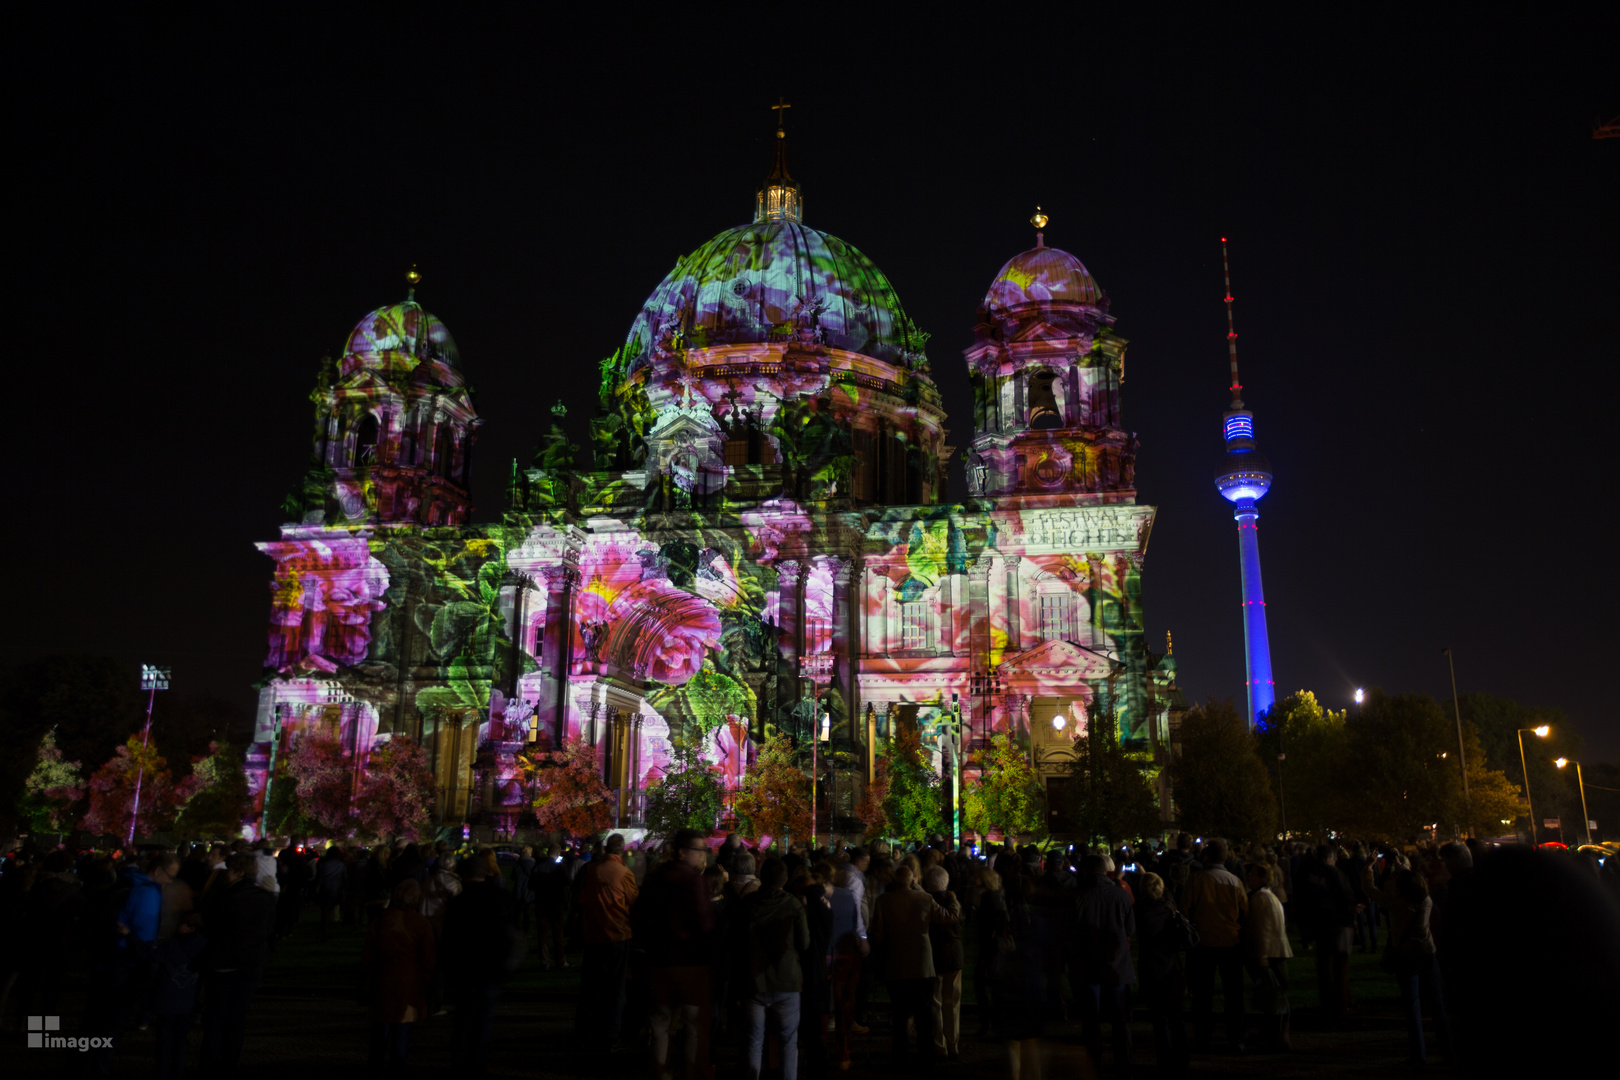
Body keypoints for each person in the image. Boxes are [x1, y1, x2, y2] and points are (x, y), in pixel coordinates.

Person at [635, 828, 716, 1080]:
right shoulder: (691, 880)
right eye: (699, 850)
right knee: (693, 1025)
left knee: (660, 1024)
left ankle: (660, 1070)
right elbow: (703, 923)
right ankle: (689, 1071)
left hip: (658, 960)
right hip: (687, 962)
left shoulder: (655, 878)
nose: (703, 855)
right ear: (683, 852)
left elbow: (637, 916)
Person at [1362, 853, 1452, 1065]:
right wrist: (1403, 867)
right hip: (1427, 954)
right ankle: (1448, 1051)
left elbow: (1371, 891)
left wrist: (1368, 869)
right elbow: (1413, 881)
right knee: (1438, 1005)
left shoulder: (1395, 903)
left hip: (1405, 956)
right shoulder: (1426, 902)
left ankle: (1418, 1054)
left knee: (1412, 1007)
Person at [870, 863, 957, 1068]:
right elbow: (948, 917)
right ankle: (925, 1057)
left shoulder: (884, 901)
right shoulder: (925, 899)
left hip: (896, 962)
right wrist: (953, 901)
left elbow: (879, 934)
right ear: (912, 880)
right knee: (924, 1014)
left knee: (899, 1014)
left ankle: (899, 1057)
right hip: (921, 962)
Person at [443, 848, 520, 1075]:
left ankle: (460, 1062)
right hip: (491, 968)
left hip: (465, 969)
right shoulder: (502, 898)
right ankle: (477, 1062)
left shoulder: (458, 902)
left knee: (463, 1019)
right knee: (483, 1020)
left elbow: (449, 939)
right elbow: (512, 933)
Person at [200, 852, 278, 1069]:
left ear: (238, 872)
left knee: (216, 1018)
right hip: (251, 965)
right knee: (237, 1018)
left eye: (230, 871)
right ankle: (229, 1062)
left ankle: (210, 1063)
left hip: (224, 964)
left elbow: (213, 929)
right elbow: (269, 931)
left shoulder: (226, 898)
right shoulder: (265, 898)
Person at [735, 857, 809, 1080]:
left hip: (755, 980)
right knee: (788, 1041)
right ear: (785, 879)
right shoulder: (793, 905)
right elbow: (804, 943)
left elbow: (737, 940)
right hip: (786, 980)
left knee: (754, 1039)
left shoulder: (748, 904)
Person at [1070, 854, 1136, 1075]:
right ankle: (1123, 1065)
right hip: (1116, 964)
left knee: (1091, 1021)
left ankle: (1093, 1066)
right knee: (1120, 1020)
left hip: (1089, 965)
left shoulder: (1078, 896)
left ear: (1086, 872)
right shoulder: (1120, 895)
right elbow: (1130, 929)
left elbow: (1070, 933)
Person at [363, 878, 437, 1069]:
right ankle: (396, 1068)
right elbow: (428, 959)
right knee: (402, 1030)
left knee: (381, 1029)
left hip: (383, 979)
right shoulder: (420, 924)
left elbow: (368, 955)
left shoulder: (380, 922)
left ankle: (375, 1068)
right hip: (408, 982)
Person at [1183, 838, 1248, 1052]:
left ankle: (1202, 1035)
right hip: (1230, 941)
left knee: (1203, 993)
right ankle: (1236, 1036)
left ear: (1206, 856)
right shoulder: (1235, 881)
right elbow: (1244, 913)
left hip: (1204, 941)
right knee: (1234, 993)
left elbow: (1185, 910)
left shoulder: (1197, 880)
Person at [576, 833, 638, 1045]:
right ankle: (610, 1035)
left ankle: (585, 1031)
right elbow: (633, 902)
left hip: (593, 932)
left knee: (590, 985)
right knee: (615, 986)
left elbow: (582, 897)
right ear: (621, 850)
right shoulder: (623, 872)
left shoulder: (592, 870)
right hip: (617, 933)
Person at [1134, 872, 1190, 1076]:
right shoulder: (1169, 907)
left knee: (1159, 1020)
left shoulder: (1140, 910)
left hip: (1152, 968)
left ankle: (1165, 1061)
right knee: (1176, 1016)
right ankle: (1183, 1059)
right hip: (1172, 967)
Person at [1294, 844, 1356, 1022]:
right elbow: (1347, 898)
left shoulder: (1307, 874)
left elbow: (1301, 902)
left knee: (1324, 969)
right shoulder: (1334, 874)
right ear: (1330, 858)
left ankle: (1327, 1006)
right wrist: (1349, 919)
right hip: (1337, 926)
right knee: (1340, 970)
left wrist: (1305, 928)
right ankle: (1339, 1009)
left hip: (1319, 926)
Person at [151, 912, 207, 1080]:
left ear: (189, 927)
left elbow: (152, 957)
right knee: (180, 1043)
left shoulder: (171, 945)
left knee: (164, 1044)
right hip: (187, 1003)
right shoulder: (205, 946)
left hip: (166, 1001)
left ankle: (162, 1074)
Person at [1243, 863, 1292, 1050]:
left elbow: (1262, 929)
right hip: (1276, 951)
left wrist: (1261, 957)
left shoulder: (1261, 899)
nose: (1249, 877)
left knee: (1273, 996)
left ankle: (1277, 1035)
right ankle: (1275, 1033)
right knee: (1274, 996)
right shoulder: (1270, 897)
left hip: (1270, 954)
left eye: (1253, 874)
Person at [921, 865, 964, 1062]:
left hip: (934, 956)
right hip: (953, 956)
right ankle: (953, 1042)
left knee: (935, 1003)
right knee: (952, 1002)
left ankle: (940, 1045)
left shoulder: (925, 902)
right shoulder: (953, 902)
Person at [828, 863, 868, 1070]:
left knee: (828, 1005)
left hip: (828, 954)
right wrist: (862, 939)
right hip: (845, 953)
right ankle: (844, 1051)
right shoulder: (847, 898)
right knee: (845, 1002)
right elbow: (857, 922)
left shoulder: (824, 898)